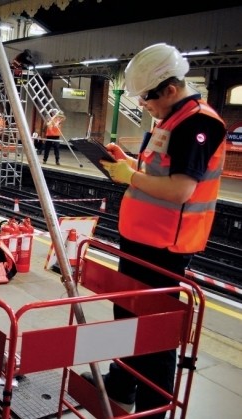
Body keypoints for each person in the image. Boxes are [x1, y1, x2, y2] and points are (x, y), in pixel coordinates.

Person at [81, 43, 226, 418]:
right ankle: (121, 381)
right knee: (126, 316)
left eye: (147, 98)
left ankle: (153, 408)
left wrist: (131, 177)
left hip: (164, 249)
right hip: (140, 241)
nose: (145, 105)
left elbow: (181, 189)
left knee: (155, 335)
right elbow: (159, 172)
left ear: (171, 90)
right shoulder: (171, 119)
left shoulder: (199, 124)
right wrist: (128, 163)